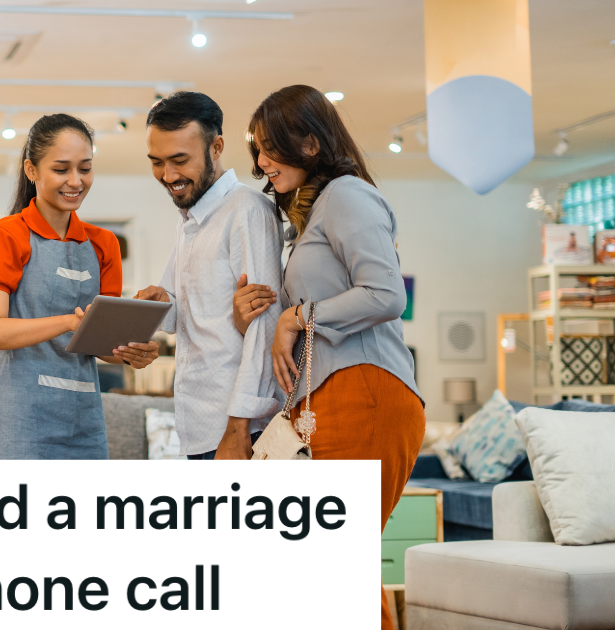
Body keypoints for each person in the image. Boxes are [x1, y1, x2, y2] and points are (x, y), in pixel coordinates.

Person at [234, 84, 425, 630]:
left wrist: (296, 317)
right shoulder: (313, 211)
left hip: (365, 392)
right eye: (257, 150)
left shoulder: (347, 196)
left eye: (270, 147)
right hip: (328, 398)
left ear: (311, 143)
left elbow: (386, 295)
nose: (261, 162)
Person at [0, 113, 160, 460]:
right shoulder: (6, 235)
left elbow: (102, 347)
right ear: (31, 170)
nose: (76, 181)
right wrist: (68, 322)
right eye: (61, 169)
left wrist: (132, 351)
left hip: (83, 421)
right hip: (18, 419)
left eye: (85, 168)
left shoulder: (104, 244)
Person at [133, 91, 284, 460]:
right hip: (199, 426)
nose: (168, 175)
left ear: (216, 147)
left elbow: (264, 329)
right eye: (157, 162)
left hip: (239, 429)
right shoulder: (191, 218)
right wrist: (159, 302)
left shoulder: (247, 211)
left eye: (180, 160)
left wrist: (239, 427)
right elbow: (183, 312)